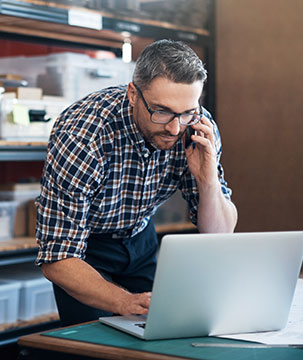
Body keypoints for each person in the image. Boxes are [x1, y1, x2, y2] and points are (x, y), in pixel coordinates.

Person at [35, 39, 238, 327]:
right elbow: (57, 257)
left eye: (186, 112)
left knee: (164, 332)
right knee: (97, 348)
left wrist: (208, 182)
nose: (174, 128)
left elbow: (219, 234)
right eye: (162, 111)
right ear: (133, 94)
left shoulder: (196, 126)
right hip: (85, 250)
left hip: (141, 237)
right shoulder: (84, 135)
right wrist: (124, 301)